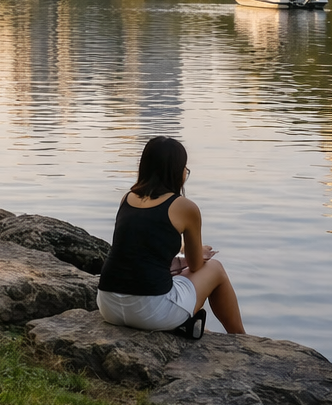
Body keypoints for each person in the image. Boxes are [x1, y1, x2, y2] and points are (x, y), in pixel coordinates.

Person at [96, 136, 246, 335]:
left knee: (171, 274)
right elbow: (195, 266)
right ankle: (240, 338)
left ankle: (186, 324)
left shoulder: (127, 198)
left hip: (108, 306)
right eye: (185, 168)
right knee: (216, 269)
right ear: (177, 171)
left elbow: (138, 254)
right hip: (150, 312)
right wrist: (197, 252)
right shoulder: (185, 207)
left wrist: (182, 252)